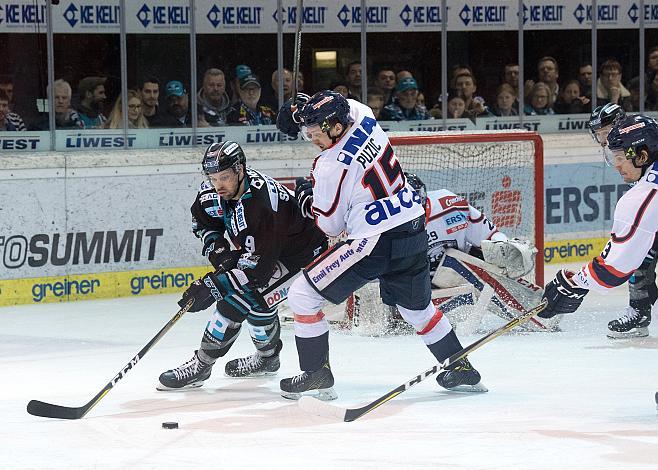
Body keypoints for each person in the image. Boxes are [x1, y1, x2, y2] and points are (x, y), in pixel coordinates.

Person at [275, 90, 486, 400]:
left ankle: (315, 373)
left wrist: (309, 200)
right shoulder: (362, 117)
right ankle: (461, 367)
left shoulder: (330, 167)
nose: (311, 137)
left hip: (372, 243)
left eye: (315, 131)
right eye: (307, 131)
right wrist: (303, 110)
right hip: (413, 229)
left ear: (335, 126)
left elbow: (330, 226)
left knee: (302, 295)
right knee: (417, 309)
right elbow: (342, 103)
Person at [157, 141, 327, 390]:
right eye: (213, 178)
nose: (218, 185)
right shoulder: (212, 193)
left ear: (240, 169)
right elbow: (204, 224)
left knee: (239, 299)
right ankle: (268, 360)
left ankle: (201, 365)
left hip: (301, 254)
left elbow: (258, 271)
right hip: (264, 251)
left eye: (224, 177)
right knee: (258, 304)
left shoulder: (263, 205)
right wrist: (220, 252)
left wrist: (214, 286)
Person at [539, 114, 658, 341]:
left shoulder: (644, 196)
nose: (616, 165)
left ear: (642, 156)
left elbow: (614, 268)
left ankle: (640, 312)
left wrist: (573, 283)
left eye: (621, 158)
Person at [588, 105, 657, 339]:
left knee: (640, 257)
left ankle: (640, 310)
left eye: (605, 130)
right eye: (599, 133)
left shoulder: (640, 141)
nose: (602, 138)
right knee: (640, 260)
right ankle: (639, 311)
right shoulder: (627, 147)